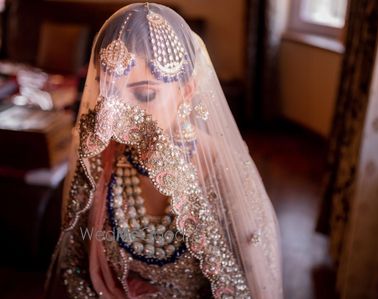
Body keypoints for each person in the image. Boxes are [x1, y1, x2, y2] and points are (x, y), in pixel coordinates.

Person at [45, 3, 283, 298]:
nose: (121, 112)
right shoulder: (99, 157)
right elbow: (77, 265)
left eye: (145, 94)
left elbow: (249, 284)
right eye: (111, 92)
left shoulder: (224, 170)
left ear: (187, 91)